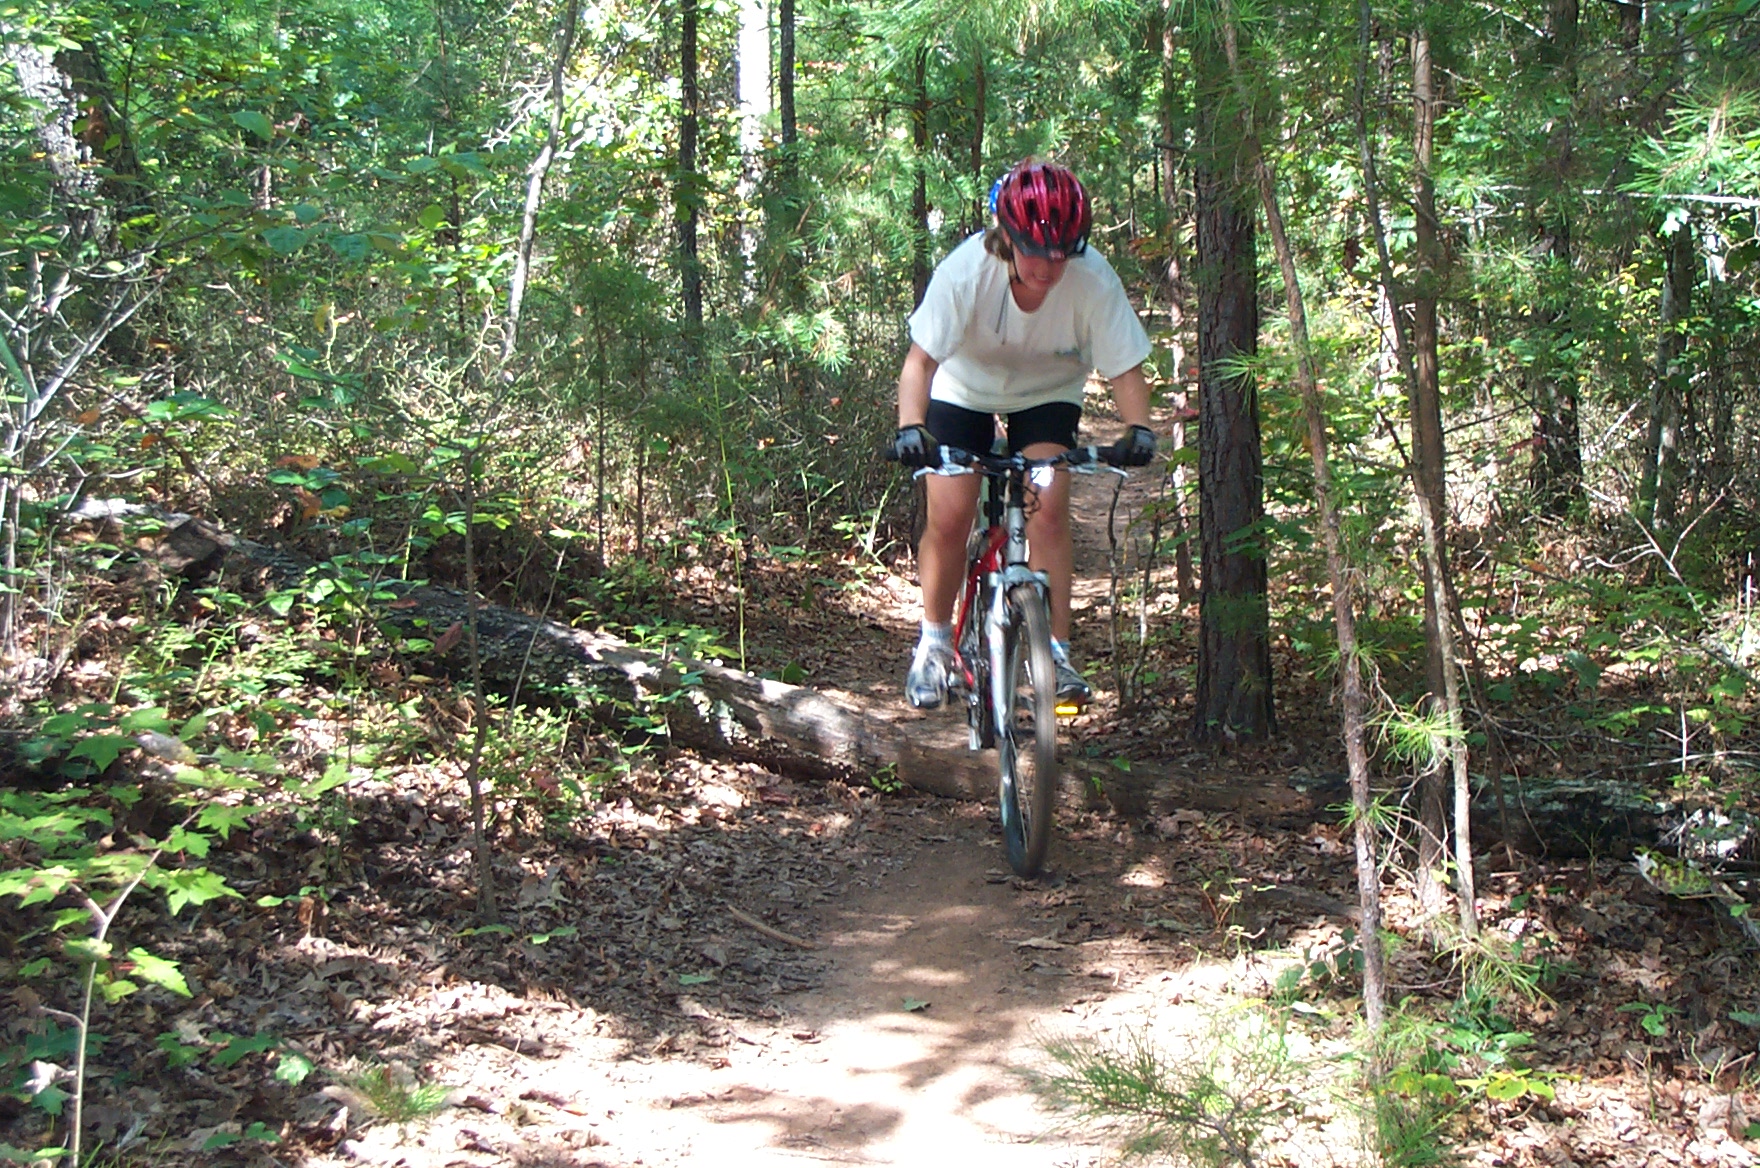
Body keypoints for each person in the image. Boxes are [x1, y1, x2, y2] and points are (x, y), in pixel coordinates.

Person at [891, 159, 1158, 711]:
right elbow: (919, 363)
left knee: (1050, 504)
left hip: (1046, 394)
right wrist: (911, 429)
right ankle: (935, 643)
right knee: (950, 511)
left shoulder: (1091, 278)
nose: (1049, 264)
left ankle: (1054, 653)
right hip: (962, 389)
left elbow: (1126, 368)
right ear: (1005, 239)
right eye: (1036, 250)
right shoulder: (967, 273)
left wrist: (1139, 431)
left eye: (1063, 250)